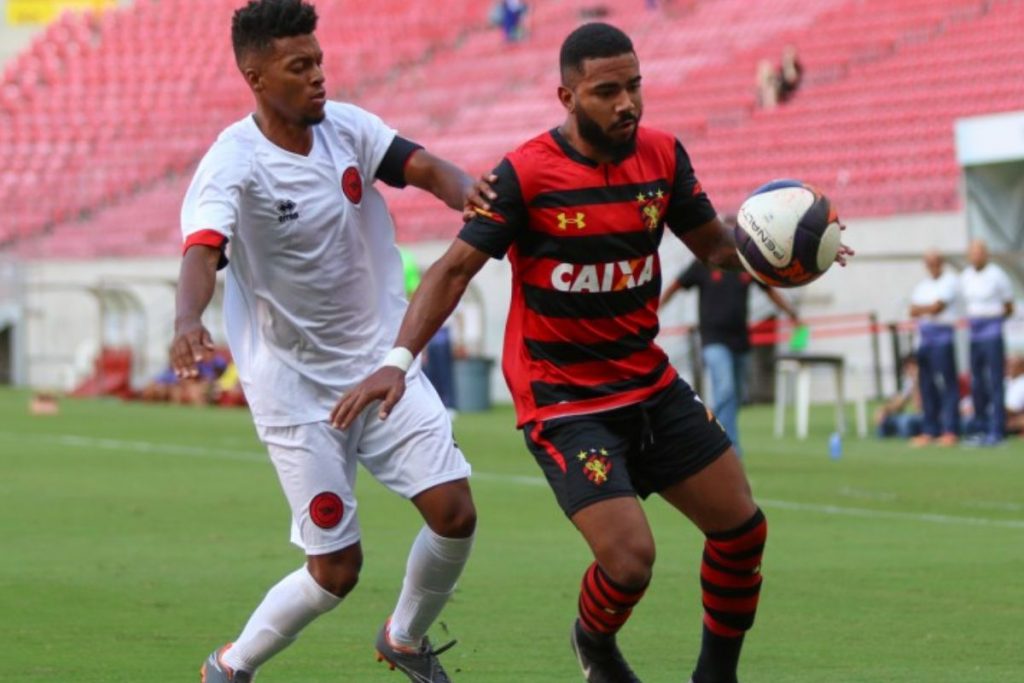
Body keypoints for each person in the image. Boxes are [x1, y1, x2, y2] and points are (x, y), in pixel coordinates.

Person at [332, 22, 852, 683]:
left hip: (647, 381)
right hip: (563, 400)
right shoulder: (525, 174)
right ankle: (594, 643)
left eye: (634, 86)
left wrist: (797, 251)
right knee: (630, 560)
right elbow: (452, 270)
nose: (627, 103)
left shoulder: (663, 156)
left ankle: (715, 676)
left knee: (742, 528)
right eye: (607, 91)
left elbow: (717, 247)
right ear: (566, 95)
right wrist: (398, 360)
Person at [171, 2, 493, 681]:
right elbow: (202, 251)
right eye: (300, 66)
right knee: (335, 570)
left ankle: (403, 636)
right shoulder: (233, 162)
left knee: (454, 510)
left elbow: (426, 167)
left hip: (381, 365)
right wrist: (185, 320)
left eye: (319, 61)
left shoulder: (347, 129)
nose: (319, 77)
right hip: (293, 387)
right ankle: (230, 666)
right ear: (256, 76)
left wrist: (474, 194)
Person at [660, 227, 800, 454]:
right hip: (713, 340)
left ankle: (718, 437)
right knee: (724, 391)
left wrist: (792, 314)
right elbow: (676, 286)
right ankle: (727, 446)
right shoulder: (703, 264)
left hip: (740, 342)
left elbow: (769, 291)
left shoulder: (746, 266)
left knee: (735, 395)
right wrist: (655, 308)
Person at [959, 239, 1014, 446]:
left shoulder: (997, 275)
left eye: (980, 252)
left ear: (986, 254)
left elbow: (1009, 306)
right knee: (977, 381)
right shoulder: (965, 277)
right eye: (973, 253)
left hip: (991, 332)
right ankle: (979, 428)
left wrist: (993, 319)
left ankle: (997, 429)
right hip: (974, 333)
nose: (976, 256)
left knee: (995, 380)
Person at [907, 250, 960, 446]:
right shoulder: (923, 286)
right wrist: (927, 309)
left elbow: (938, 308)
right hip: (925, 338)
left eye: (935, 262)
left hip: (943, 337)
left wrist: (924, 309)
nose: (932, 266)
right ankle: (930, 429)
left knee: (947, 383)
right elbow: (912, 310)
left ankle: (950, 429)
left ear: (941, 262)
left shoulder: (950, 281)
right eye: (928, 262)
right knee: (926, 384)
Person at [874, 355, 923, 439]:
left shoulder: (930, 379)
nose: (908, 371)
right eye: (906, 368)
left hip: (928, 417)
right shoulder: (910, 382)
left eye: (910, 367)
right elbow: (899, 403)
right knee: (885, 422)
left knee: (905, 422)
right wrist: (884, 410)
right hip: (916, 417)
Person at [1004, 354, 1024, 435]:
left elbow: (1012, 409)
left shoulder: (1021, 382)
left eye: (1012, 366)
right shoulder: (1006, 380)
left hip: (1010, 419)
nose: (1008, 369)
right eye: (1007, 365)